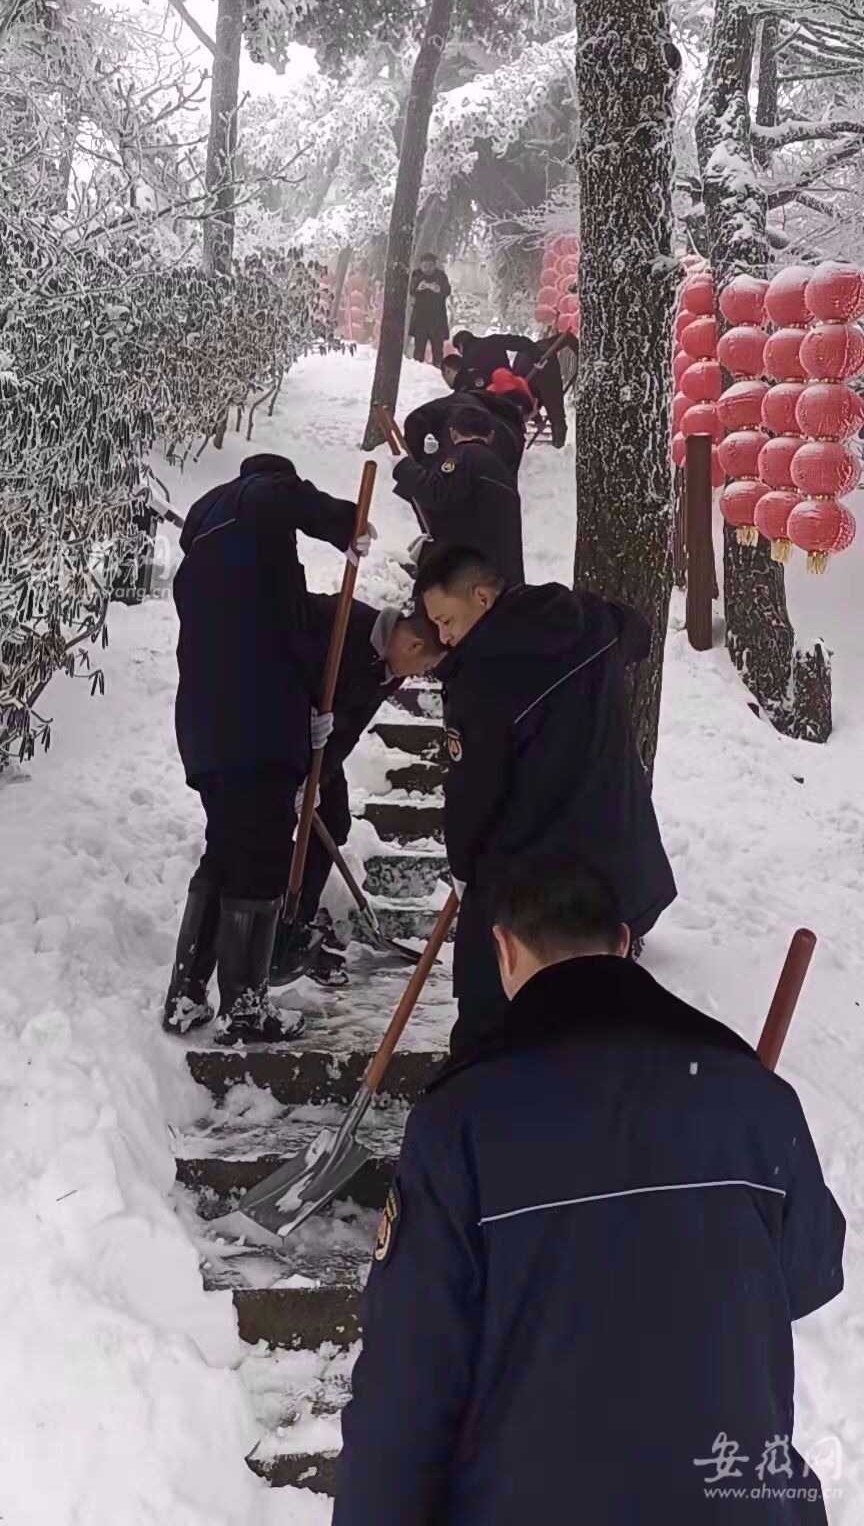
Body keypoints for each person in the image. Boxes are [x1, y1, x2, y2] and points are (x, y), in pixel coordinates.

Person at [334, 862, 845, 1526]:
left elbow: (405, 1389)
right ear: (625, 942)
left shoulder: (463, 1122)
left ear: (504, 950)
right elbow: (809, 1273)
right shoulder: (753, 1098)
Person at [414, 545, 677, 1055]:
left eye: (446, 620)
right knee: (589, 1022)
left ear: (482, 597)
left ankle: (483, 1097)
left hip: (528, 874)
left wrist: (463, 868)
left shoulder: (481, 680)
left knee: (489, 1026)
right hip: (609, 862)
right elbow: (638, 633)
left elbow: (473, 794)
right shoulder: (588, 622)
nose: (444, 638)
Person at [163, 452, 371, 1045]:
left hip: (208, 729)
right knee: (258, 858)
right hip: (255, 728)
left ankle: (186, 995)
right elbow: (277, 495)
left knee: (226, 853)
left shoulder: (209, 548)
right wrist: (344, 521)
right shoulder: (256, 501)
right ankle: (246, 1009)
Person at [270, 596, 442, 986]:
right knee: (274, 829)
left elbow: (348, 729)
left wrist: (318, 779)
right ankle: (261, 930)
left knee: (332, 821)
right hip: (276, 732)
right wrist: (296, 737)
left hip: (321, 746)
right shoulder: (342, 621)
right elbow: (283, 654)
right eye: (426, 667)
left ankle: (293, 926)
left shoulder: (389, 671)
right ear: (413, 645)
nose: (420, 675)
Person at [392, 403, 524, 588]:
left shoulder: (465, 456)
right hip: (500, 570)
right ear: (491, 436)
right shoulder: (501, 470)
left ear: (453, 433)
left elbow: (435, 492)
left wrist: (403, 467)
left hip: (470, 569)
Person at [404, 360, 525, 474]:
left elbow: (413, 422)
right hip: (507, 441)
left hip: (479, 433)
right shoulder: (505, 423)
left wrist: (419, 463)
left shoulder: (453, 416)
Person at [408, 252, 451, 367]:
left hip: (437, 318)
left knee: (438, 350)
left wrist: (438, 289)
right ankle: (417, 370)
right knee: (419, 350)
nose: (427, 269)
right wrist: (418, 288)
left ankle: (438, 370)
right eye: (425, 266)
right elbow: (411, 290)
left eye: (430, 266)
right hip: (420, 318)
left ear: (435, 265)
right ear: (421, 266)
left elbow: (447, 290)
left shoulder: (441, 276)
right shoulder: (416, 274)